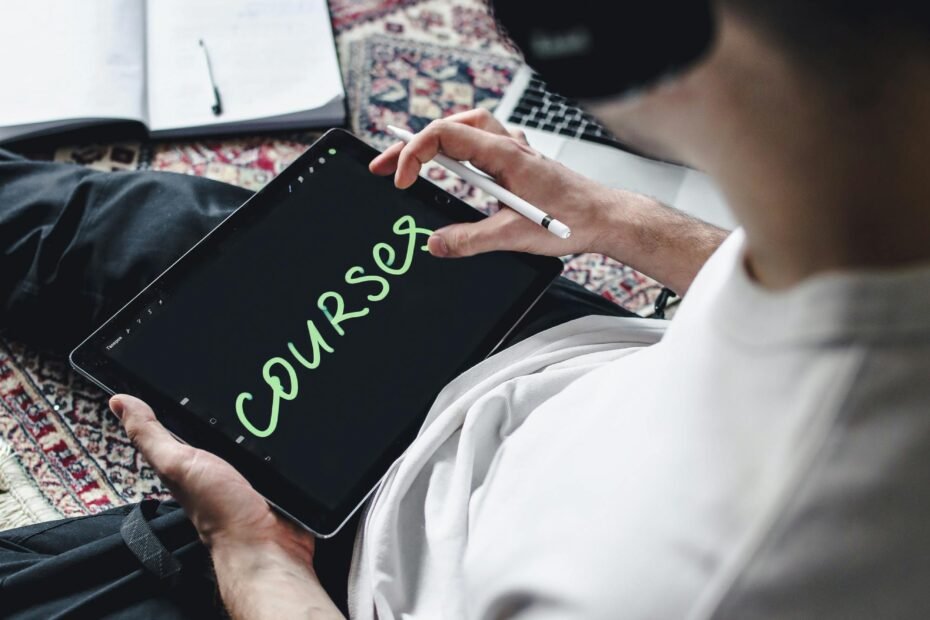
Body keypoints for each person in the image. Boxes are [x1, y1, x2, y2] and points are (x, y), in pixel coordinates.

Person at [2, 0, 929, 617]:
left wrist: (251, 551)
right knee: (137, 225)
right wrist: (621, 223)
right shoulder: (871, 220)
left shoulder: (698, 580)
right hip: (559, 364)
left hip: (367, 559)